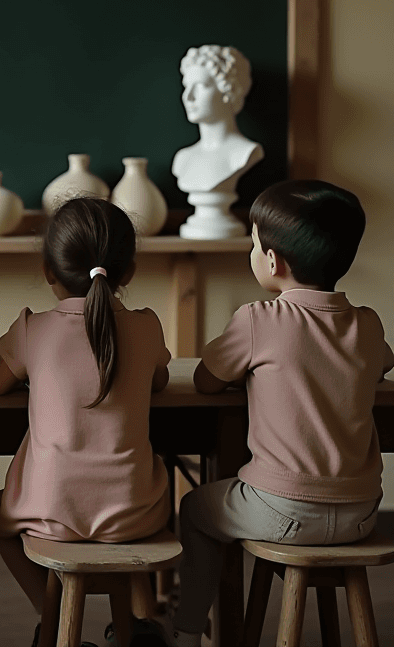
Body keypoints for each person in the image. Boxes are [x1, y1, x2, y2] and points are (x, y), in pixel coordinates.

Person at [150, 179, 392, 647]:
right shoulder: (367, 322)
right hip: (362, 514)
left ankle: (186, 633)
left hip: (281, 511)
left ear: (273, 262)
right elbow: (381, 364)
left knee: (195, 508)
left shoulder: (259, 319)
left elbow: (206, 379)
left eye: (254, 244)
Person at [0, 196, 171, 647]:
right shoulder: (146, 327)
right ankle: (138, 623)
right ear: (128, 272)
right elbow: (160, 380)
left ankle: (50, 615)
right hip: (133, 515)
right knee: (166, 494)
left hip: (51, 514)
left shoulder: (34, 329)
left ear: (50, 272)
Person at [172, 44, 264, 239]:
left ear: (228, 91)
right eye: (186, 86)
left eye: (201, 86)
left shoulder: (246, 153)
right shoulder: (183, 158)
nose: (188, 96)